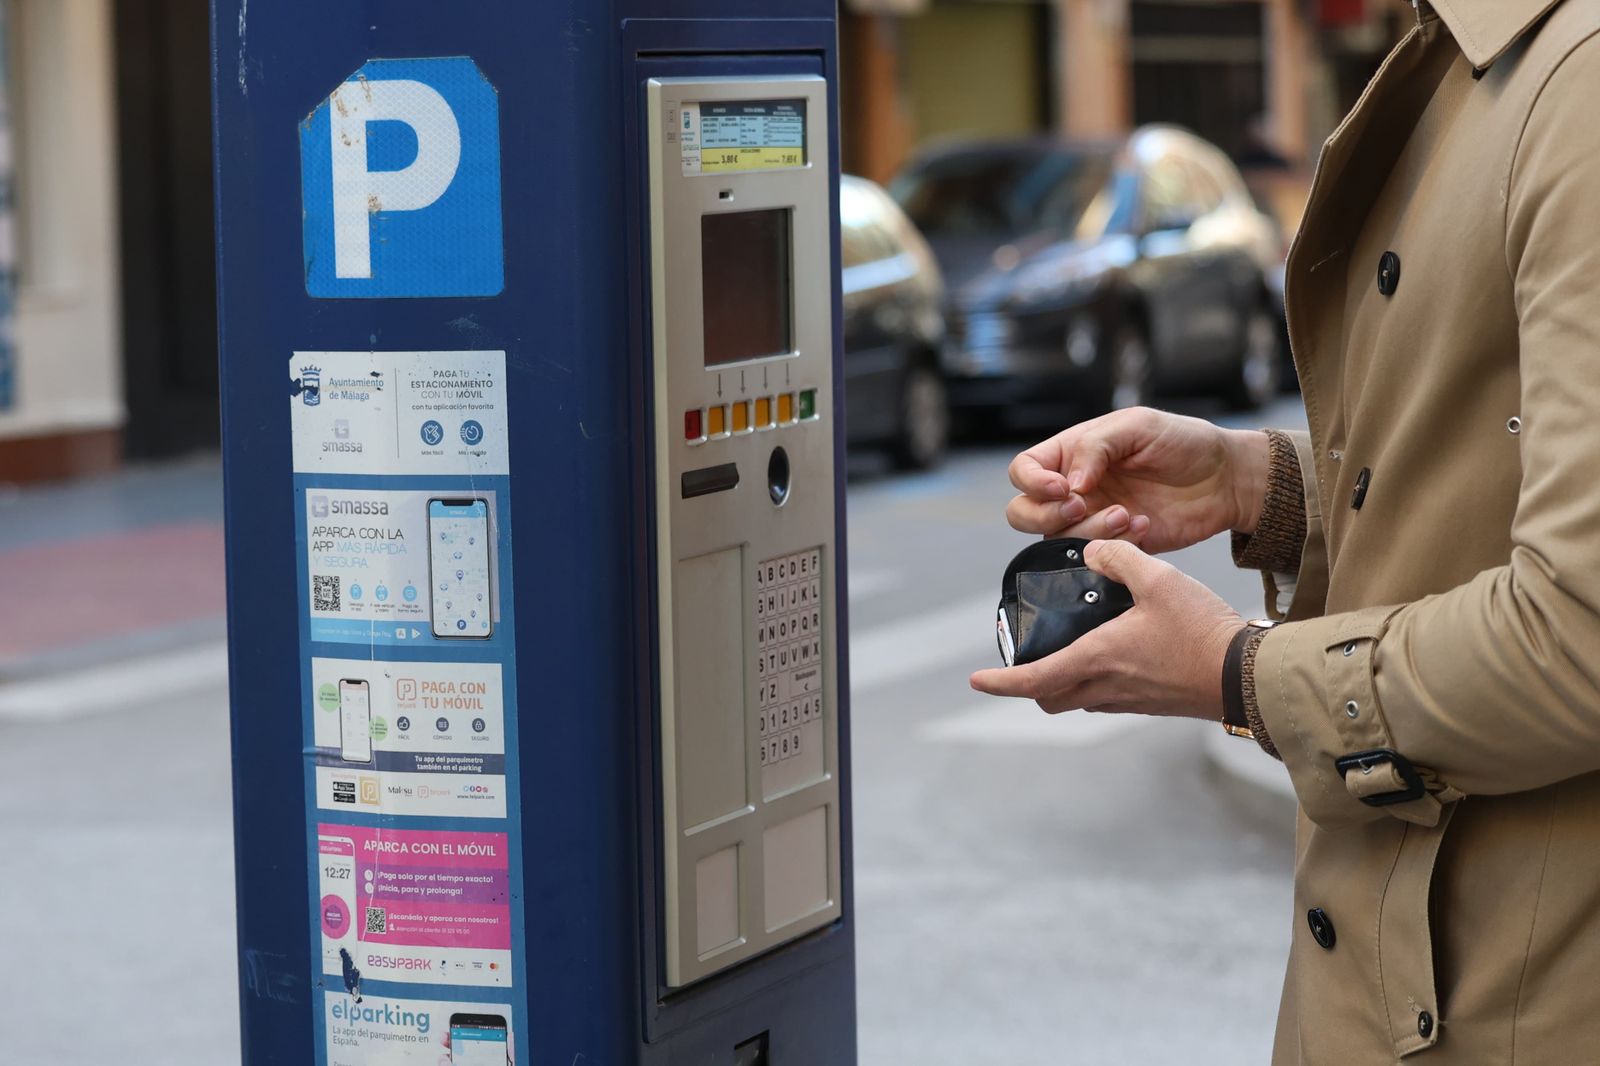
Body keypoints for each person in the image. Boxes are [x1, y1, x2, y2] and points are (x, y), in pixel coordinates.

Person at [971, 1, 1600, 1060]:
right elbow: (1499, 469)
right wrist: (1259, 486)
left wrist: (1239, 674)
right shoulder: (1481, 60)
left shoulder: (1575, 80)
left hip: (1506, 1000)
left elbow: (1581, 631)